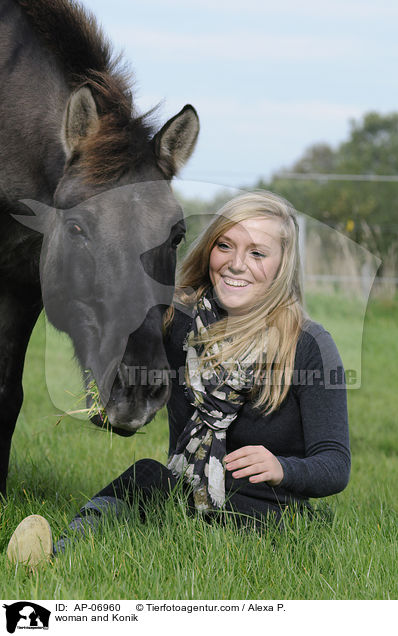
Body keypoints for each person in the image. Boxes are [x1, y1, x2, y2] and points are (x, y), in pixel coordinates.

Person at [6, 190, 350, 567]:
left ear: (282, 265)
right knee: (146, 475)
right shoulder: (177, 323)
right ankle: (61, 553)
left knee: (257, 515)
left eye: (257, 253)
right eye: (225, 245)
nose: (236, 264)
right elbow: (123, 333)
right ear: (209, 250)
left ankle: (211, 544)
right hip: (185, 491)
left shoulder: (308, 345)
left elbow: (334, 463)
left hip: (266, 507)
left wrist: (283, 468)